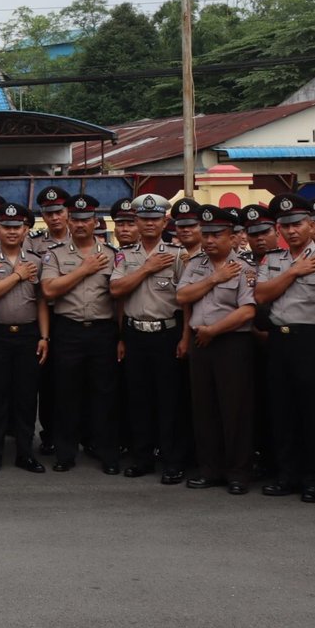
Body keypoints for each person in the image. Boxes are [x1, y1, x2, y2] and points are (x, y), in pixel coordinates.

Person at [176, 206, 257, 494]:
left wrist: (214, 330)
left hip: (231, 344)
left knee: (235, 410)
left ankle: (238, 473)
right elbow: (182, 296)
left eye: (217, 234)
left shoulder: (244, 268)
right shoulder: (196, 265)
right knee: (204, 408)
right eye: (206, 234)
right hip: (201, 344)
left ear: (232, 237)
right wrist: (213, 279)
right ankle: (210, 469)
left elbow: (248, 310)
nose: (209, 240)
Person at [40, 194, 121, 475]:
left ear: (96, 222)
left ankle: (106, 452)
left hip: (103, 331)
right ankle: (65, 453)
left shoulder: (112, 254)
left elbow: (119, 297)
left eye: (86, 219)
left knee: (104, 394)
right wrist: (83, 270)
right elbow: (48, 290)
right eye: (75, 219)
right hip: (69, 330)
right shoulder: (55, 254)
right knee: (66, 393)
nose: (80, 224)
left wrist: (121, 336)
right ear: (69, 221)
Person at [108, 193, 187, 484]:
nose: (149, 223)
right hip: (135, 334)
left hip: (167, 333)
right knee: (138, 399)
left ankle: (172, 461)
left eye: (155, 219)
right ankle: (142, 458)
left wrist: (185, 337)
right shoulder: (125, 255)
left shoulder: (177, 255)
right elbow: (116, 291)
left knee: (169, 400)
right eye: (144, 218)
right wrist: (146, 269)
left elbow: (187, 300)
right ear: (137, 221)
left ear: (165, 222)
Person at [256, 193, 315, 501]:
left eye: (297, 224)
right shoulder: (272, 259)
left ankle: (314, 479)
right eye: (286, 226)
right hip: (279, 341)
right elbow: (261, 295)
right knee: (282, 410)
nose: (292, 231)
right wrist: (294, 271)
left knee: (312, 412)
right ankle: (287, 476)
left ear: (310, 224)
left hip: (311, 340)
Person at [0, 203, 48, 474]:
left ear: (25, 229)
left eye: (17, 227)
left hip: (28, 335)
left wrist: (44, 336)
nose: (12, 231)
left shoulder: (37, 261)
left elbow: (41, 301)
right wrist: (18, 275)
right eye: (6, 226)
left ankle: (25, 453)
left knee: (26, 397)